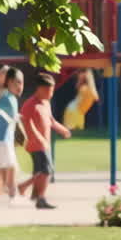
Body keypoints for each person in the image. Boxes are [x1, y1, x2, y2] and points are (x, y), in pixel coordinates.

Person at [16, 73, 72, 209]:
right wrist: (38, 138)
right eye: (48, 91)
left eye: (52, 91)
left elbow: (51, 121)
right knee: (47, 171)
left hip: (44, 144)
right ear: (39, 89)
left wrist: (62, 129)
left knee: (40, 171)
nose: (50, 94)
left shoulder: (46, 103)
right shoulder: (30, 104)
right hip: (35, 145)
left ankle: (34, 195)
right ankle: (38, 197)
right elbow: (27, 123)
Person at [0, 67, 22, 206]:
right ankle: (13, 195)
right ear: (9, 82)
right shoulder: (7, 97)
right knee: (11, 167)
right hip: (2, 139)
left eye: (21, 83)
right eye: (17, 82)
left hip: (1, 139)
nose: (20, 86)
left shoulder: (8, 97)